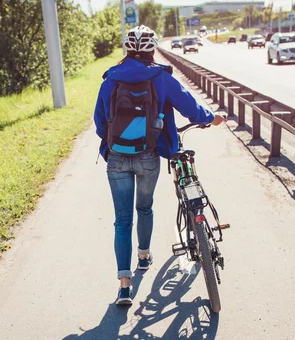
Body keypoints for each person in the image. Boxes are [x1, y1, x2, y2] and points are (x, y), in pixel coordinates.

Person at [94, 25, 226, 305]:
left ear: (127, 50)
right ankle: (144, 256)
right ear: (152, 49)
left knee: (122, 220)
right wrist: (210, 118)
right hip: (148, 156)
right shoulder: (160, 78)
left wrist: (113, 148)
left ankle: (124, 286)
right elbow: (191, 108)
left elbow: (99, 122)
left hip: (117, 158)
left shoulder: (110, 80)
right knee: (144, 208)